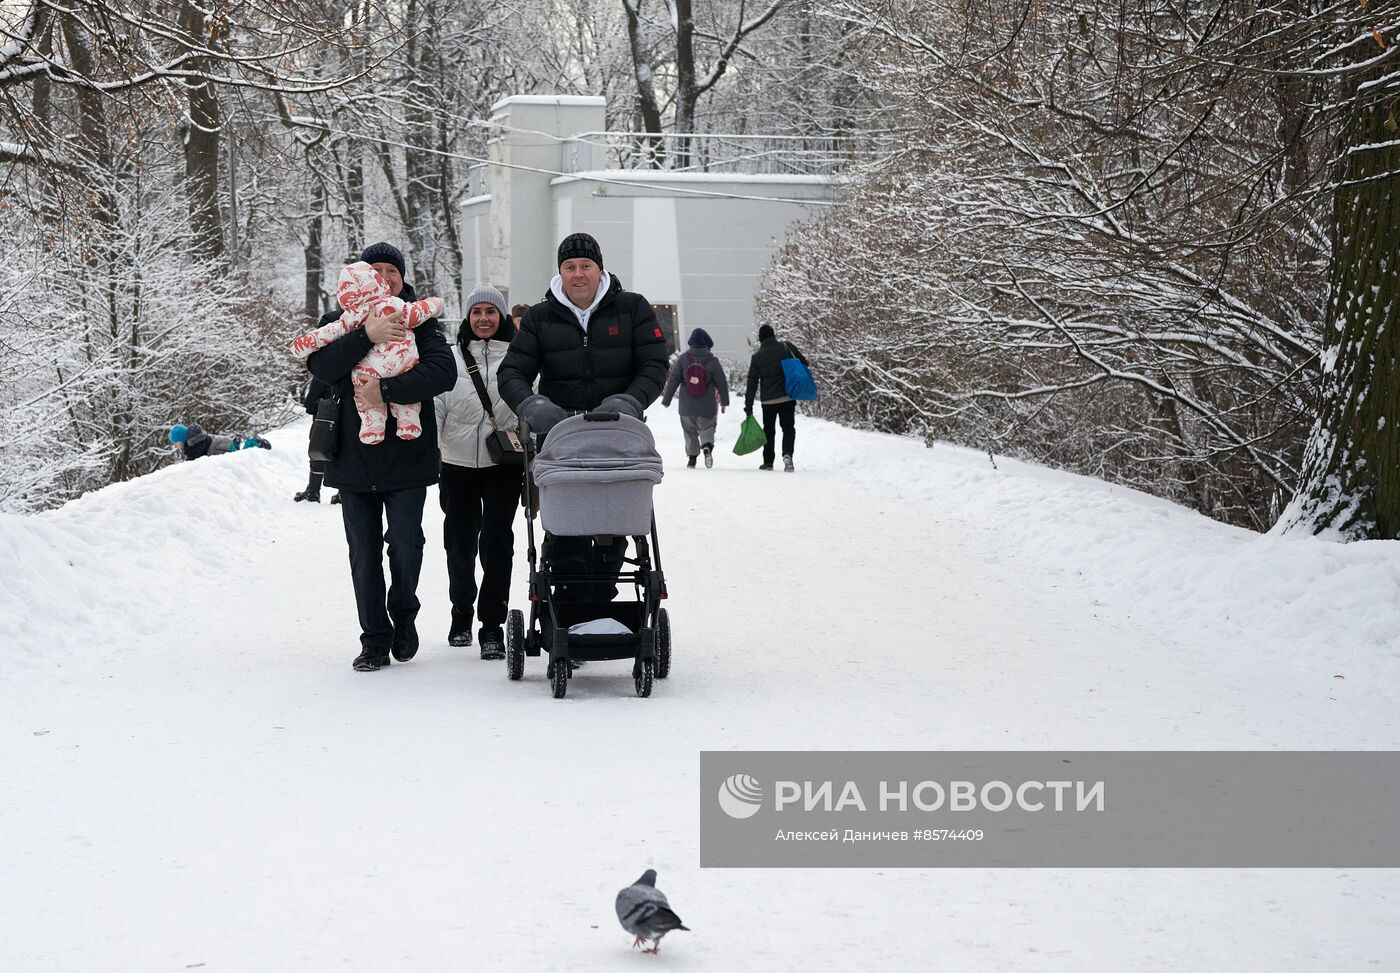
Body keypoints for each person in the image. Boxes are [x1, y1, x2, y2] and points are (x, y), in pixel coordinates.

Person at [306, 241, 456, 672]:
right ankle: (374, 639)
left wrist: (385, 390)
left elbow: (442, 372)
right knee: (363, 551)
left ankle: (404, 616)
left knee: (405, 544)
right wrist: (364, 337)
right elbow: (321, 368)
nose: (385, 278)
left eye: (392, 271)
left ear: (402, 278)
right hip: (353, 457)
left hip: (408, 455)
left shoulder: (417, 320)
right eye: (376, 270)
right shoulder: (339, 320)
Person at [498, 232, 668, 605]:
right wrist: (531, 405)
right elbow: (512, 373)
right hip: (562, 438)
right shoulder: (541, 318)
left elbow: (655, 364)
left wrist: (631, 400)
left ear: (599, 268)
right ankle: (571, 606)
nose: (578, 274)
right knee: (565, 527)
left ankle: (600, 600)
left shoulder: (633, 308)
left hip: (618, 436)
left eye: (585, 266)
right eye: (570, 267)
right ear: (560, 272)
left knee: (613, 523)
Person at [434, 284, 522, 659]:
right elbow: (436, 403)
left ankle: (491, 625)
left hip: (503, 465)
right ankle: (461, 613)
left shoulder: (519, 359)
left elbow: (530, 403)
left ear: (501, 318)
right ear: (468, 318)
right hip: (456, 464)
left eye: (490, 312)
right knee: (459, 545)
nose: (483, 319)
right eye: (476, 312)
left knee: (497, 545)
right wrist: (431, 450)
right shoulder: (450, 358)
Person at [744, 324, 811, 472]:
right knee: (788, 428)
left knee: (769, 430)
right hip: (787, 397)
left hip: (768, 401)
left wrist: (748, 405)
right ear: (773, 335)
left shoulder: (757, 357)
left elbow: (752, 382)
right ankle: (787, 454)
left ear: (760, 339)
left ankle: (768, 462)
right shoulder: (786, 347)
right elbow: (805, 363)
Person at [659, 327, 729, 468]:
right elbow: (721, 382)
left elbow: (673, 379)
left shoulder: (684, 358)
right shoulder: (713, 361)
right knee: (707, 427)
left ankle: (692, 458)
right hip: (707, 404)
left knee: (689, 431)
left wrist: (666, 399)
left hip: (687, 404)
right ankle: (707, 446)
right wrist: (724, 402)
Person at [169, 423, 270, 460]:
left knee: (240, 455)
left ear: (181, 439)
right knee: (238, 454)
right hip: (223, 443)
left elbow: (193, 458)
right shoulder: (196, 436)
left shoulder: (193, 443)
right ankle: (237, 442)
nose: (177, 446)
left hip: (221, 448)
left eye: (176, 443)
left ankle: (254, 443)